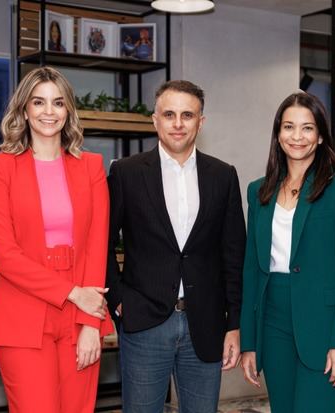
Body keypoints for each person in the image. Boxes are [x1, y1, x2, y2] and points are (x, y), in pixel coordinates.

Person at [105, 80, 246, 413]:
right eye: (169, 114)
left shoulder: (223, 176)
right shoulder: (125, 173)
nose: (178, 123)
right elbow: (102, 243)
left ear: (201, 121)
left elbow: (234, 255)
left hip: (207, 323)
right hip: (144, 320)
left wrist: (235, 324)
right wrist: (119, 300)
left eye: (188, 115)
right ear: (155, 120)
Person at [0, 66, 113, 413]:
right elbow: (4, 254)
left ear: (68, 110)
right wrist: (72, 294)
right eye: (39, 102)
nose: (48, 112)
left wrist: (89, 323)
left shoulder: (92, 167)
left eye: (57, 103)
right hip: (22, 309)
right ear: (24, 109)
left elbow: (98, 247)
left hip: (80, 311)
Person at [239, 92, 335, 413]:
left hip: (324, 324)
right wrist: (249, 342)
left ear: (321, 134)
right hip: (272, 322)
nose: (297, 137)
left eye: (307, 128)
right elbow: (252, 269)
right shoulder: (259, 190)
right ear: (278, 134)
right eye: (288, 127)